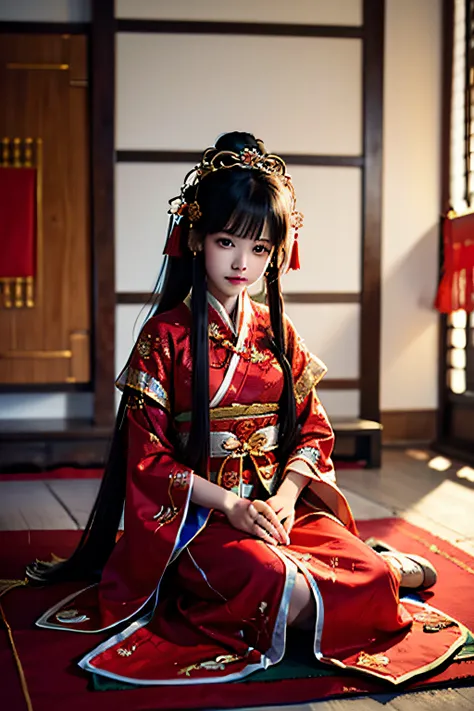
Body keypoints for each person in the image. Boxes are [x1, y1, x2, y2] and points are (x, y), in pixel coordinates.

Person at [28, 132, 466, 686]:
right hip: (198, 521)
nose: (243, 263)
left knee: (367, 578)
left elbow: (312, 430)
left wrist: (284, 498)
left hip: (275, 510)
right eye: (227, 242)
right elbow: (149, 462)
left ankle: (380, 568)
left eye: (260, 249)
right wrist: (230, 508)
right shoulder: (163, 338)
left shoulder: (278, 331)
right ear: (196, 239)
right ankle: (353, 576)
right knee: (276, 585)